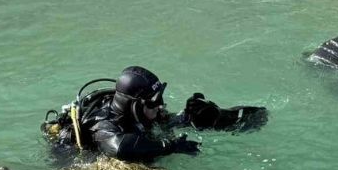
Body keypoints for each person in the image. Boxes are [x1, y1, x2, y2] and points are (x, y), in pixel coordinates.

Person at [42, 66, 268, 160]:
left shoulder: (143, 112)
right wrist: (169, 148)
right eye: (154, 102)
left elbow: (162, 123)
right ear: (135, 105)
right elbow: (118, 147)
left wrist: (190, 116)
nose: (160, 106)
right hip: (73, 158)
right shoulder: (104, 124)